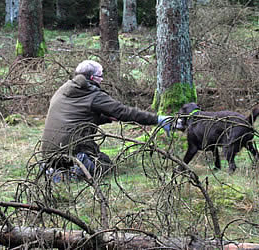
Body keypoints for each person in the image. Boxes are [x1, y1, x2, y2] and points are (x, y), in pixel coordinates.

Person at [41, 60, 171, 181]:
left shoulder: (64, 89)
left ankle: (54, 169)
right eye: (100, 76)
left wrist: (105, 118)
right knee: (105, 164)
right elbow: (124, 112)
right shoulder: (93, 95)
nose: (102, 80)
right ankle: (73, 172)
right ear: (92, 78)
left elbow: (77, 116)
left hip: (48, 152)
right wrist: (158, 119)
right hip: (72, 150)